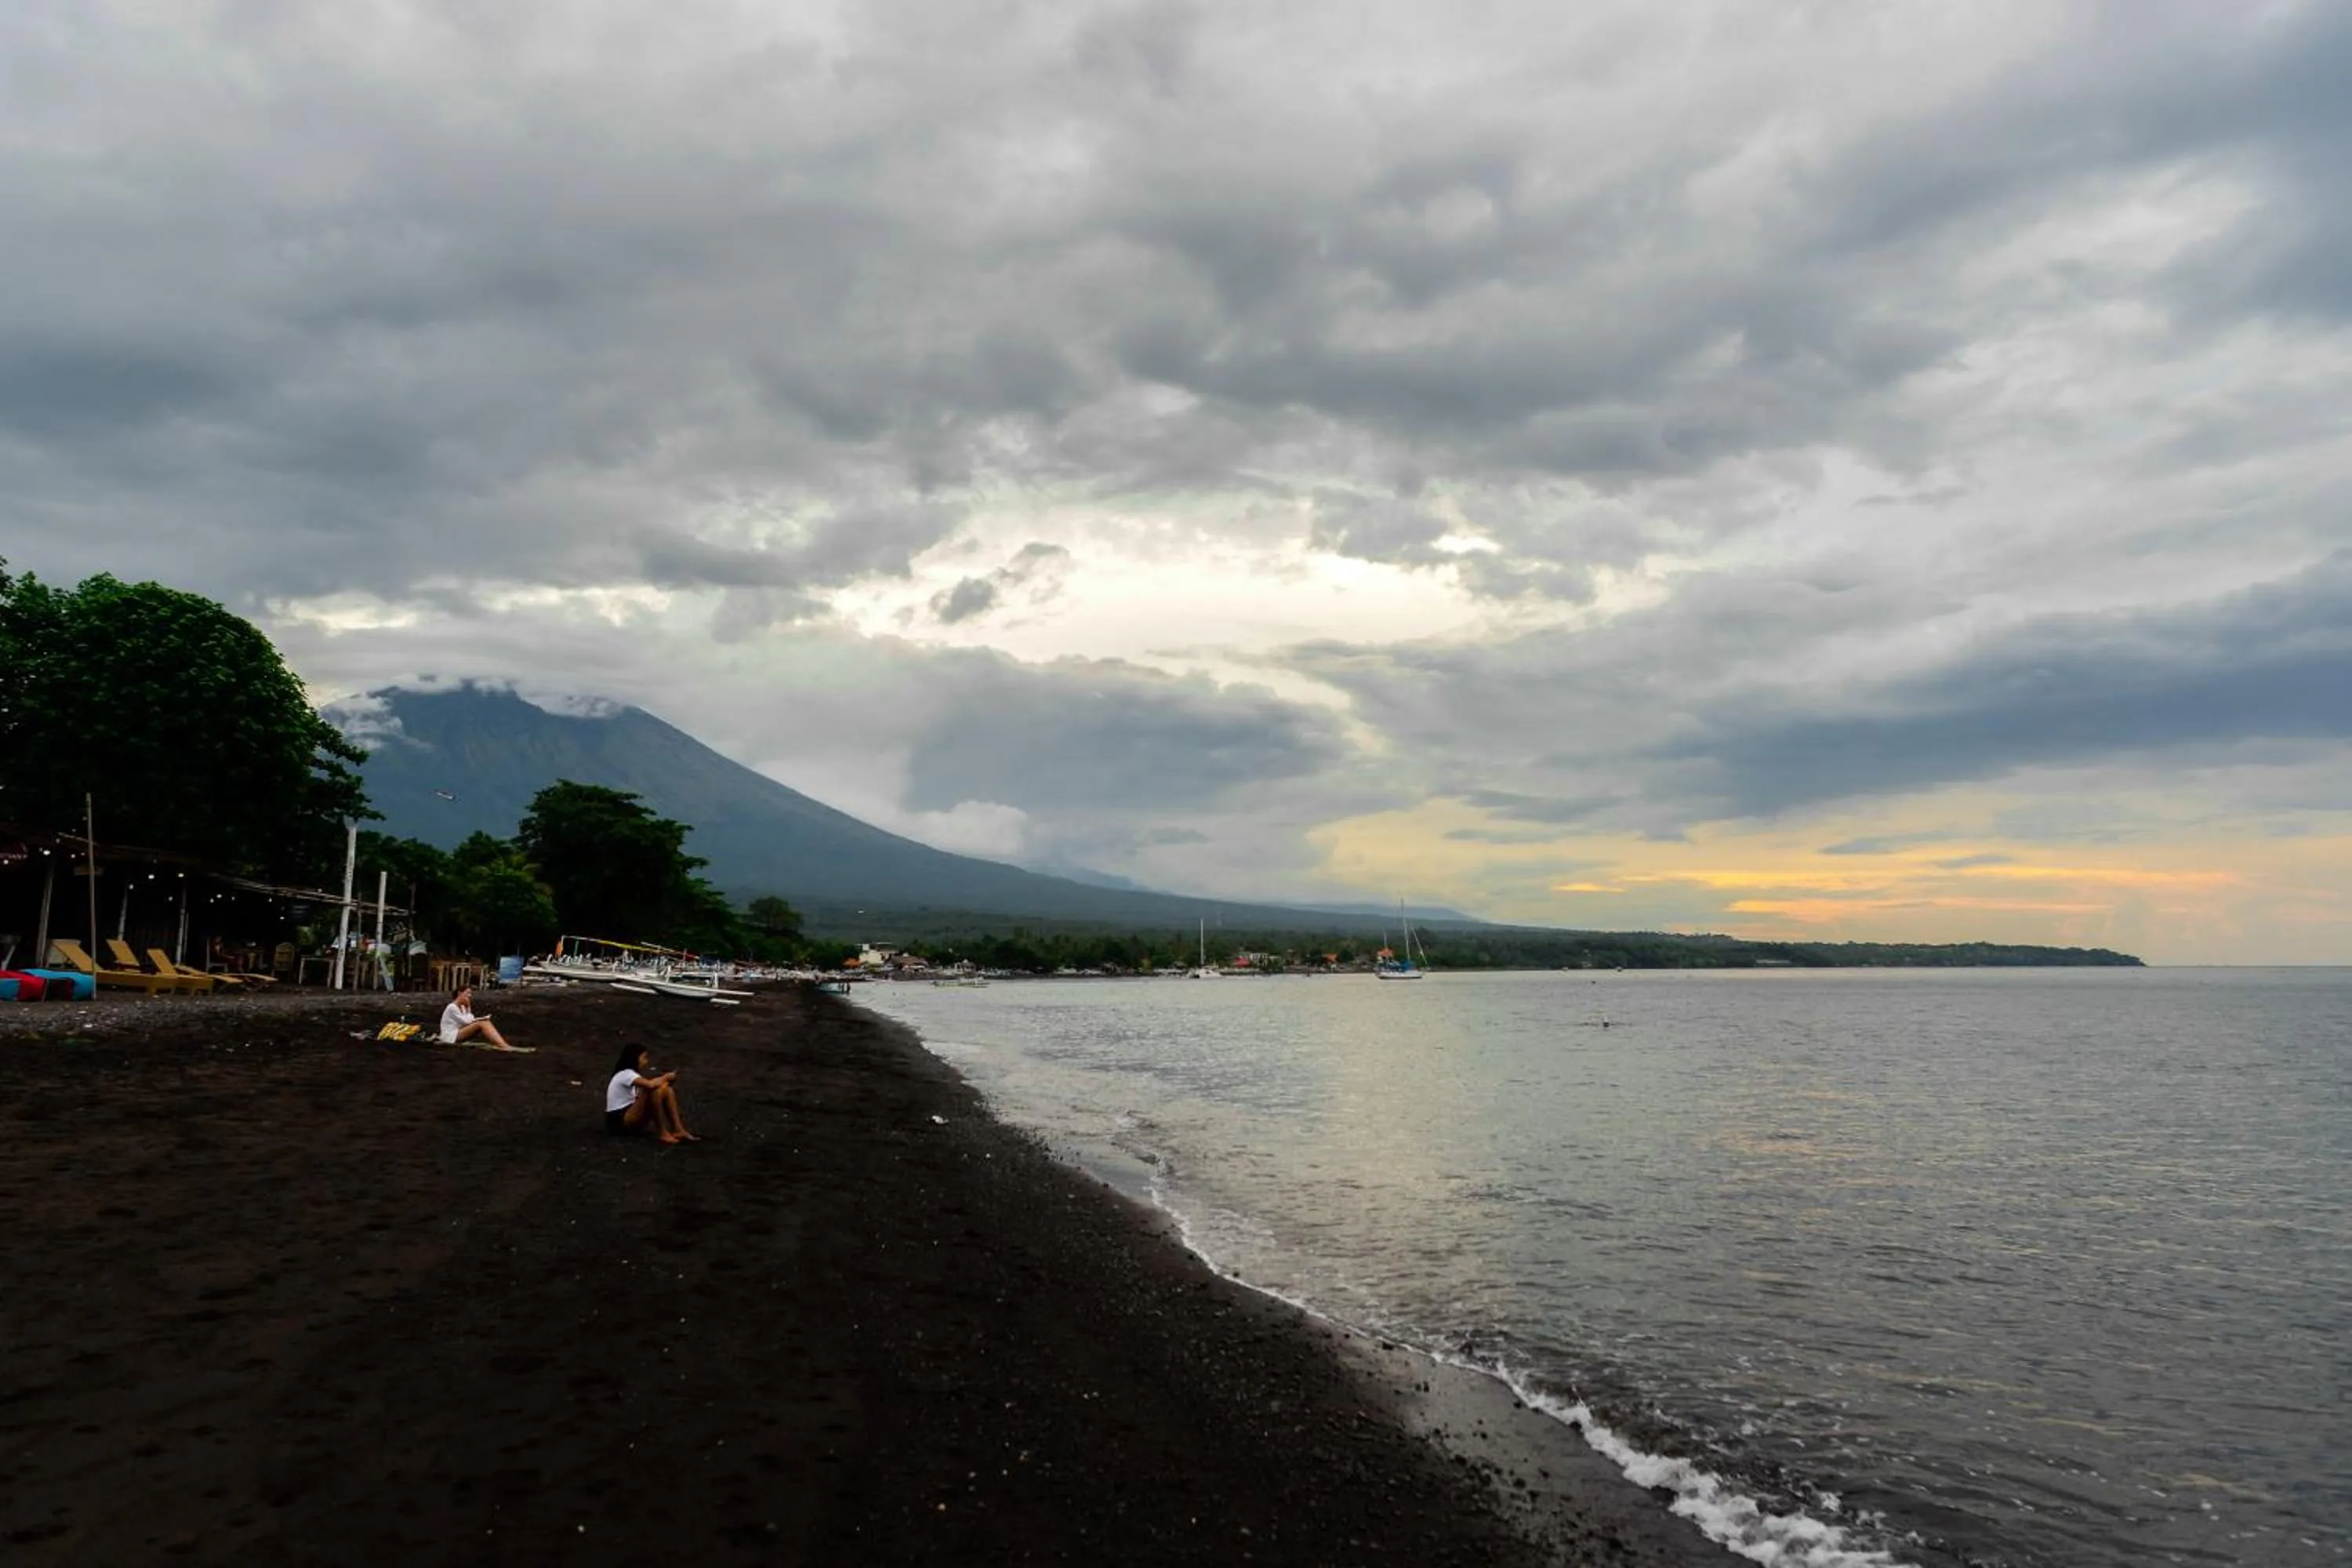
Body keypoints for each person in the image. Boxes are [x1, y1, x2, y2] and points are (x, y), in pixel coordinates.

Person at [605, 1044, 698, 1144]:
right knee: (653, 1090)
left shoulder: (630, 1075)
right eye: (644, 1058)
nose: (646, 1061)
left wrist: (665, 1083)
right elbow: (650, 1085)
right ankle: (663, 1132)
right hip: (619, 1121)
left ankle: (678, 1129)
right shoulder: (626, 1074)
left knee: (666, 1090)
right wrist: (665, 1078)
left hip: (627, 1114)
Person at [438, 985, 520, 1051]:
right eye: (467, 993)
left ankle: (502, 1044)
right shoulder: (452, 1007)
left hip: (457, 1033)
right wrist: (469, 1008)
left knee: (485, 1022)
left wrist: (470, 1012)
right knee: (482, 1023)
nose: (469, 996)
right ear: (460, 993)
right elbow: (467, 1022)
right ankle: (503, 1046)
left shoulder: (462, 1007)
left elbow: (470, 1019)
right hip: (450, 1036)